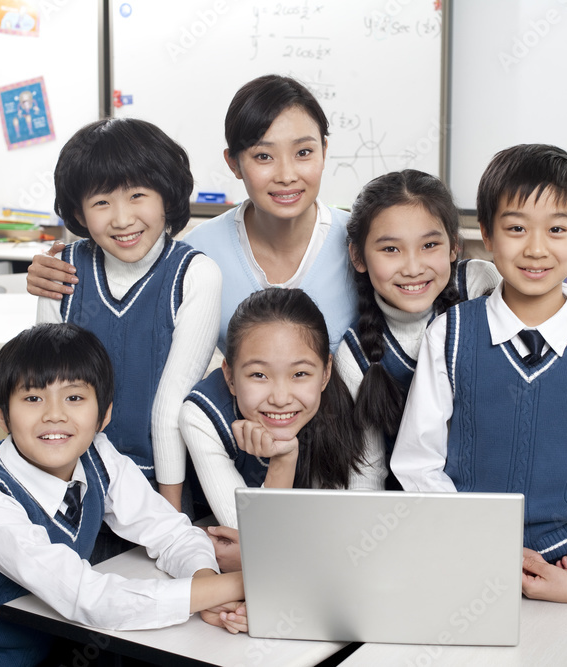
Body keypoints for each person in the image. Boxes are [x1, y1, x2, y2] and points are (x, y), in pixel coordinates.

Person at [0, 324, 244, 667]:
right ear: (2, 415)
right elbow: (90, 600)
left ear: (104, 415)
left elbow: (171, 532)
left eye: (74, 397)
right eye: (33, 398)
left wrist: (207, 583)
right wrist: (242, 584)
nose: (54, 415)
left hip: (32, 653)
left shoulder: (98, 455)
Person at [391, 145, 567, 604]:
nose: (536, 248)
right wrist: (477, 547)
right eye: (516, 228)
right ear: (488, 236)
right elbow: (418, 464)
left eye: (557, 229)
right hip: (466, 560)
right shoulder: (450, 334)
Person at [336, 169, 567, 490]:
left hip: (500, 483)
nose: (413, 267)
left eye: (430, 245)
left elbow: (540, 313)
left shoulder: (477, 283)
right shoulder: (355, 356)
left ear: (454, 247)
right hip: (418, 503)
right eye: (391, 249)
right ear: (358, 256)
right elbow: (366, 476)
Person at [26, 74, 357, 352]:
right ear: (234, 163)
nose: (286, 174)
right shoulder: (200, 251)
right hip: (234, 427)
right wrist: (55, 268)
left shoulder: (361, 242)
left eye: (304, 152)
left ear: (324, 151)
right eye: (263, 157)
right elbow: (126, 266)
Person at [37, 117, 221, 511]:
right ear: (79, 213)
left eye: (138, 195)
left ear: (167, 198)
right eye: (102, 202)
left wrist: (169, 518)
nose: (122, 219)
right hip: (76, 484)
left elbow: (171, 405)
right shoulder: (62, 273)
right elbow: (49, 393)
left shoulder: (194, 275)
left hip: (162, 482)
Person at [181, 288, 383, 570]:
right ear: (229, 376)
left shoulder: (348, 400)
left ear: (325, 373)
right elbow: (256, 534)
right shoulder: (202, 416)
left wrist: (263, 554)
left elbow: (360, 524)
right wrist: (283, 459)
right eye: (259, 375)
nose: (280, 398)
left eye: (300, 374)